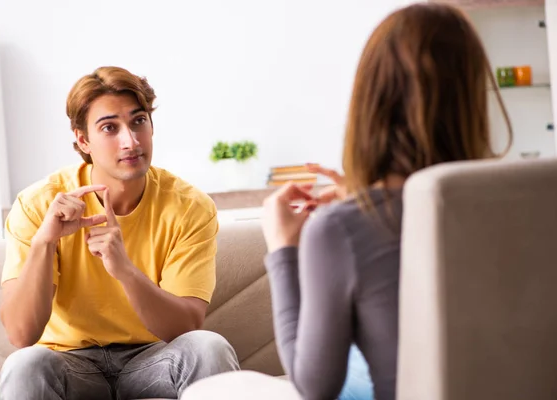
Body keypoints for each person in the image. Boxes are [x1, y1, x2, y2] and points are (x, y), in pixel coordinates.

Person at [180, 3, 512, 400]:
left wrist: (284, 248)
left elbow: (315, 385)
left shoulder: (343, 228)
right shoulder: (522, 205)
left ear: (370, 101)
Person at [0, 66, 240, 400]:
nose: (131, 140)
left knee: (209, 347)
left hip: (153, 358)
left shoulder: (189, 206)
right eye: (110, 127)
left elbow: (185, 327)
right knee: (25, 364)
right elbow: (21, 333)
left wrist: (123, 269)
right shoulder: (37, 204)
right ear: (83, 140)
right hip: (69, 363)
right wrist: (45, 242)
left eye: (138, 121)